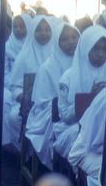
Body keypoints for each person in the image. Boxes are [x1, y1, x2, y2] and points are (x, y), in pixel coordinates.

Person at [26, 20, 78, 167]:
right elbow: (41, 102)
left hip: (76, 111)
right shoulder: (47, 67)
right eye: (64, 39)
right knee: (57, 120)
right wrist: (64, 106)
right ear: (57, 42)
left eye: (74, 37)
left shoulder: (83, 63)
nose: (71, 42)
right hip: (48, 112)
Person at [5, 15, 52, 149]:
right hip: (29, 104)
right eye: (39, 30)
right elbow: (15, 87)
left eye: (47, 29)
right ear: (32, 32)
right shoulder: (24, 56)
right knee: (14, 118)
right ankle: (24, 154)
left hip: (52, 105)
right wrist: (23, 97)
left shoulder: (56, 53)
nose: (44, 33)